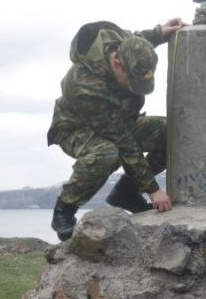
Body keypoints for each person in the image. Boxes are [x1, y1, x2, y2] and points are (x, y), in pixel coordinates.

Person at [46, 17, 185, 240]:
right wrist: (152, 190)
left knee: (172, 131)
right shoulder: (85, 87)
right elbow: (123, 142)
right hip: (76, 128)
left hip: (120, 120)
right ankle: (64, 210)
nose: (134, 89)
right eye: (131, 82)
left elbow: (138, 41)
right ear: (118, 65)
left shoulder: (121, 43)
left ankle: (126, 192)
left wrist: (160, 32)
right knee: (107, 153)